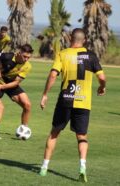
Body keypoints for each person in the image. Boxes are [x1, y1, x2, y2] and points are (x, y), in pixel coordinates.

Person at [39, 28, 106, 182]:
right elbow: (102, 78)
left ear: (70, 38)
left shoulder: (63, 54)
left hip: (65, 100)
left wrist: (44, 94)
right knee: (82, 136)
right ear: (85, 40)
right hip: (83, 102)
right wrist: (102, 87)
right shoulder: (91, 56)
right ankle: (82, 167)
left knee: (54, 132)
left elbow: (53, 75)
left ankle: (44, 167)